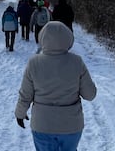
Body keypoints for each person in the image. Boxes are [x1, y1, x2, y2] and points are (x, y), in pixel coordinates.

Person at [15, 21, 97, 151]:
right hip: (71, 126)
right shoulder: (77, 62)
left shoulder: (34, 63)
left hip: (42, 125)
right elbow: (90, 95)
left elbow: (25, 95)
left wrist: (20, 113)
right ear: (68, 38)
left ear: (42, 38)